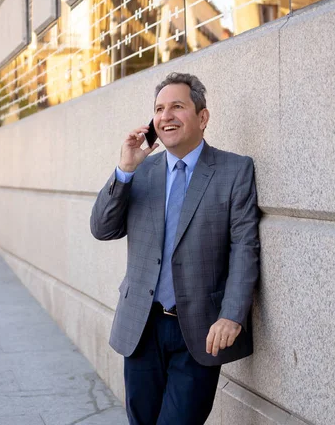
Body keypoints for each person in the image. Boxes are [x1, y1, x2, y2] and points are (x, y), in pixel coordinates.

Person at [90, 72, 260, 424]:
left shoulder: (234, 170)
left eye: (177, 107)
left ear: (202, 117)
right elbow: (102, 228)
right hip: (142, 325)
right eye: (159, 109)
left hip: (199, 329)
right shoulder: (141, 171)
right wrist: (124, 170)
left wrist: (232, 314)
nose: (165, 116)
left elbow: (244, 247)